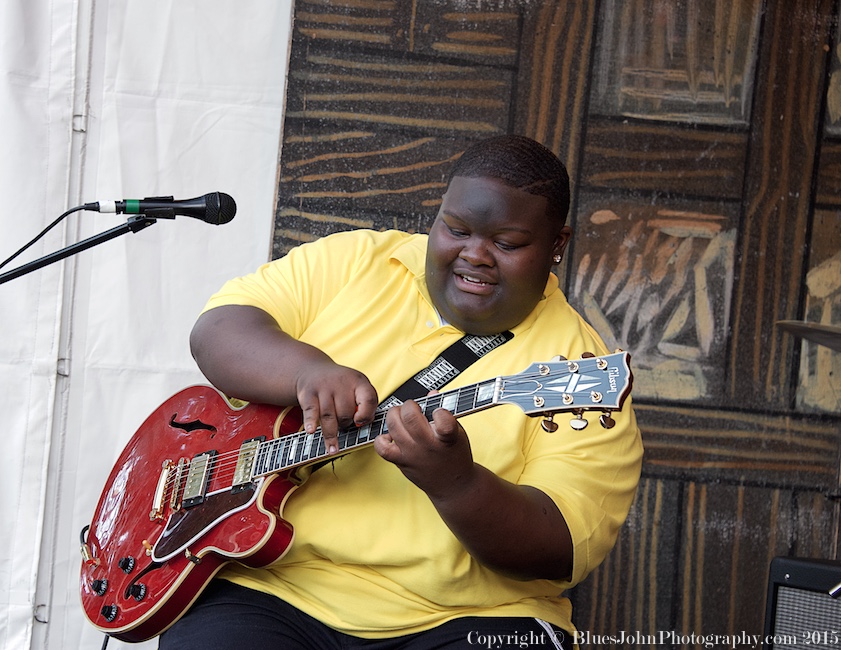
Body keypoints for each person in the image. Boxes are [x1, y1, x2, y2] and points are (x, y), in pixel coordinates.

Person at [159, 134, 643, 649]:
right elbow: (217, 330)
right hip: (273, 582)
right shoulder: (357, 260)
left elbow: (559, 548)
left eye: (507, 243)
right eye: (456, 229)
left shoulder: (580, 372)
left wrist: (457, 485)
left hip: (468, 618)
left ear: (557, 246)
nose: (474, 254)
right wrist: (307, 371)